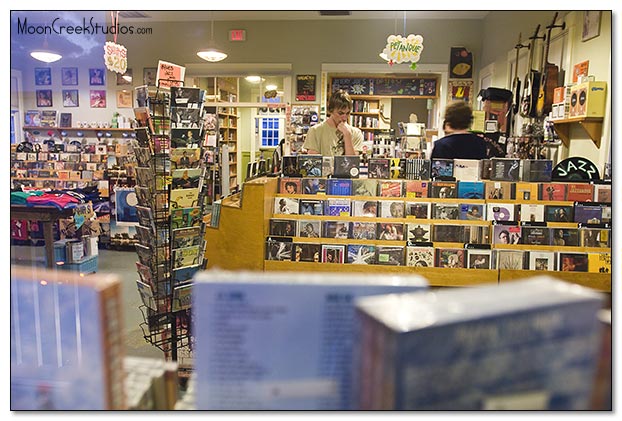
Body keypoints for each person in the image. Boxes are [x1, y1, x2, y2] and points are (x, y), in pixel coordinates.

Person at [303, 89, 363, 156]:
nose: (344, 117)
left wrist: (347, 136)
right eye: (340, 113)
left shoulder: (356, 133)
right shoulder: (315, 131)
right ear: (331, 111)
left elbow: (352, 164)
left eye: (347, 113)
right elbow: (314, 162)